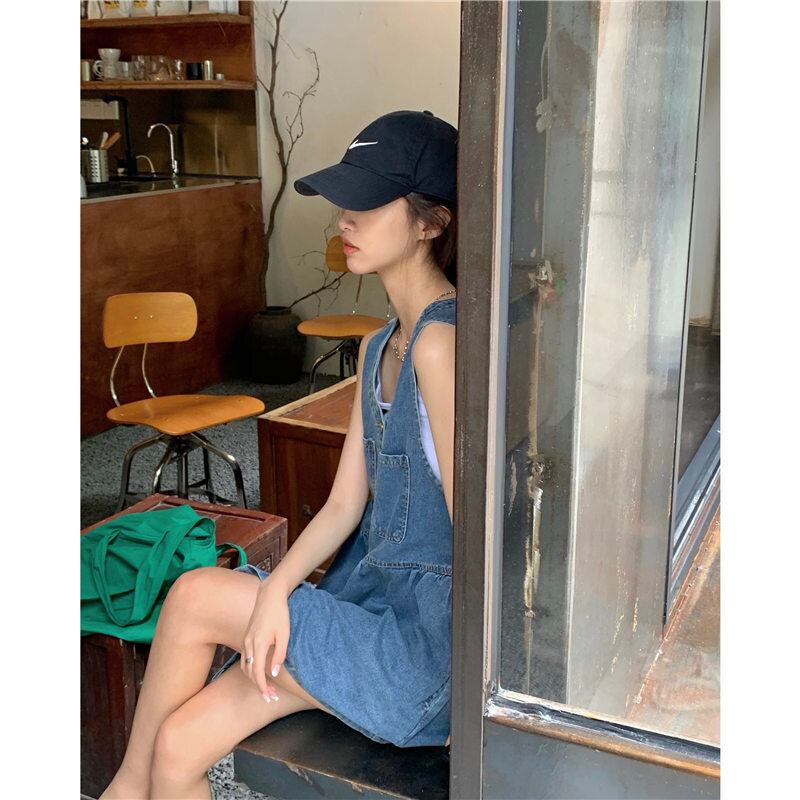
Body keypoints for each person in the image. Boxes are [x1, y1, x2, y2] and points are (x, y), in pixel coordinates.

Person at [100, 109, 458, 799]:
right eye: (343, 200)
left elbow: (476, 534)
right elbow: (344, 505)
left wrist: (477, 701)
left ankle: (119, 791)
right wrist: (274, 593)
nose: (344, 218)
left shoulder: (441, 345)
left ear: (431, 223)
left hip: (418, 658)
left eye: (367, 201)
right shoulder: (378, 345)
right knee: (177, 748)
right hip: (370, 612)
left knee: (196, 594)